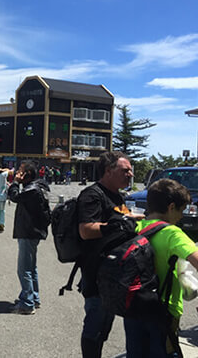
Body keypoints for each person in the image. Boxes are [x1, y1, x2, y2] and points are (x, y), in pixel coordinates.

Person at [123, 178, 197, 357]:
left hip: (132, 306)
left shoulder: (134, 228)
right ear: (171, 207)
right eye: (181, 210)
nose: (181, 216)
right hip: (163, 310)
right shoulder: (172, 233)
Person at [77, 151, 138, 358]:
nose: (130, 174)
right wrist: (118, 224)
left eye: (130, 170)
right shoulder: (92, 195)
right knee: (95, 324)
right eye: (125, 170)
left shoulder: (117, 195)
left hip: (115, 273)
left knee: (104, 326)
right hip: (97, 273)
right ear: (108, 171)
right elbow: (85, 230)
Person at [7, 160, 50, 315]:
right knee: (31, 268)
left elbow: (14, 196)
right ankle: (33, 298)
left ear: (27, 174)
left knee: (24, 269)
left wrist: (15, 182)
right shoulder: (38, 187)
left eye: (20, 170)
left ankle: (27, 303)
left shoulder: (31, 189)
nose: (17, 172)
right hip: (34, 231)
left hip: (28, 231)